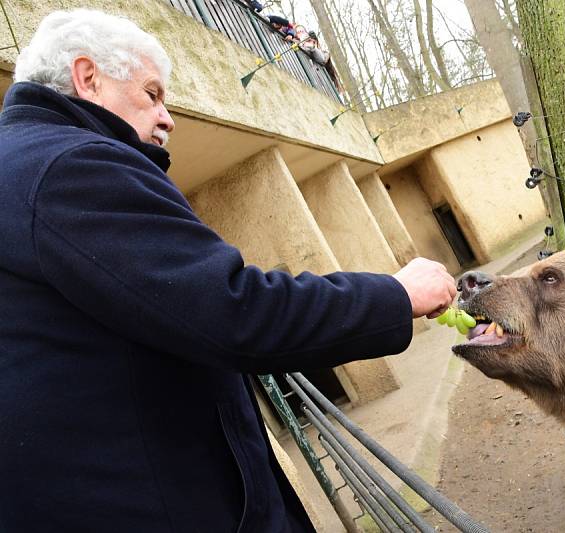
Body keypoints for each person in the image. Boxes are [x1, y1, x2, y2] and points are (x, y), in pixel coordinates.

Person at [0, 9, 455, 533]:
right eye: (152, 94)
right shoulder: (70, 168)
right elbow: (232, 309)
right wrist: (395, 296)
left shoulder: (25, 167)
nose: (168, 117)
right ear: (88, 77)